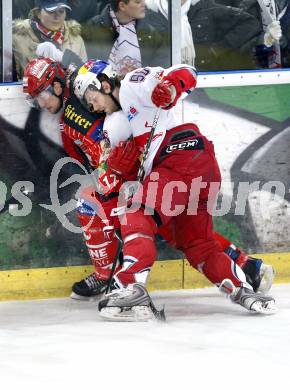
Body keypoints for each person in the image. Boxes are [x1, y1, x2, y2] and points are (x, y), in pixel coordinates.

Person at [22, 57, 274, 302]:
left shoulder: (114, 92)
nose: (93, 106)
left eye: (40, 96)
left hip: (158, 166)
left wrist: (171, 86)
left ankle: (113, 279)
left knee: (129, 216)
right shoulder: (82, 103)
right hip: (151, 169)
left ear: (56, 85)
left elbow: (182, 74)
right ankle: (246, 267)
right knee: (184, 235)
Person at [82, 0, 170, 73]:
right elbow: (87, 66)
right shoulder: (93, 28)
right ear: (122, 6)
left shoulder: (154, 28)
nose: (144, 4)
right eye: (138, 2)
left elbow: (161, 66)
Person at [12, 0, 87, 79]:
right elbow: (12, 81)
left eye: (61, 11)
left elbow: (85, 75)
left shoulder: (75, 38)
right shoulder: (18, 38)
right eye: (51, 11)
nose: (56, 17)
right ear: (38, 13)